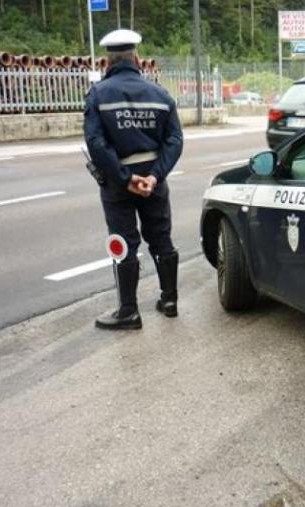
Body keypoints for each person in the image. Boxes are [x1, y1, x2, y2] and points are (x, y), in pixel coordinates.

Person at [84, 29, 183, 330]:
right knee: (161, 237)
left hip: (118, 185)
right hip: (154, 182)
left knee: (123, 243)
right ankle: (169, 301)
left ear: (107, 61)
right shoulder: (161, 94)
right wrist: (154, 177)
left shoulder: (99, 95)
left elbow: (96, 143)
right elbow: (175, 140)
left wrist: (125, 178)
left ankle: (128, 311)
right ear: (137, 58)